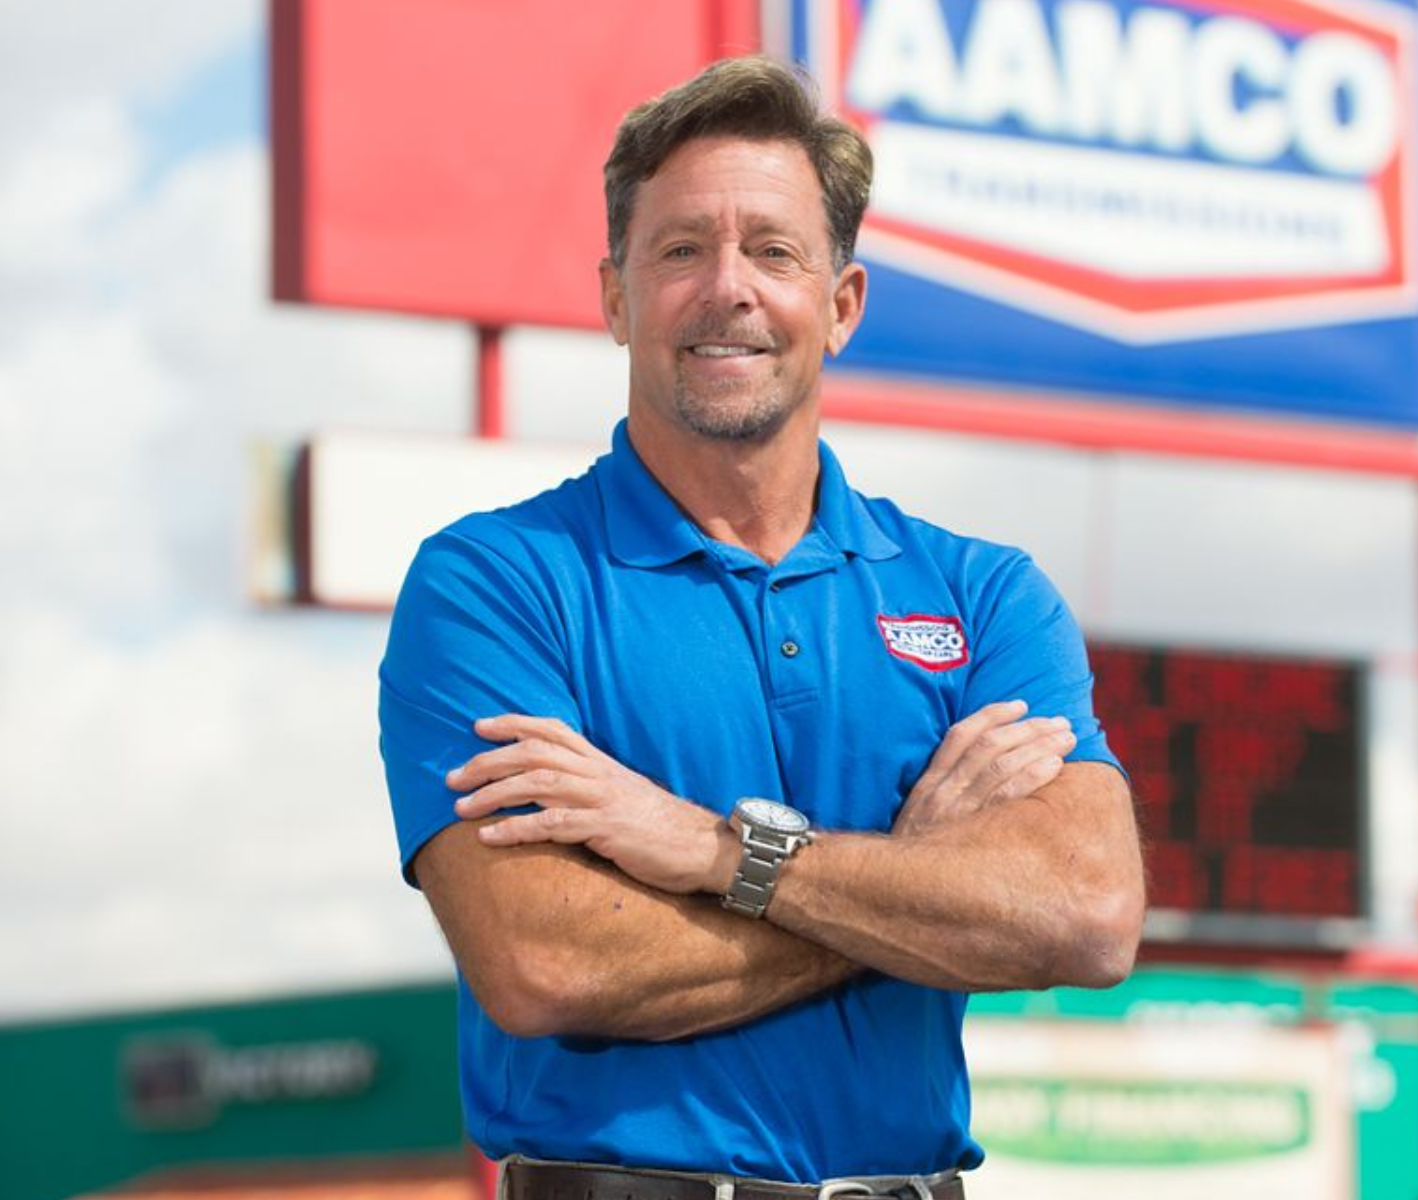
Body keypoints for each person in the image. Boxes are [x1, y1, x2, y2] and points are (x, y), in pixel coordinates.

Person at [380, 54, 1143, 1200]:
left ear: (840, 306)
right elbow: (545, 962)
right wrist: (915, 878)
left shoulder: (984, 595)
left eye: (773, 251)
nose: (727, 288)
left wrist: (713, 851)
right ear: (614, 297)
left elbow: (1084, 917)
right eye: (681, 249)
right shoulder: (496, 585)